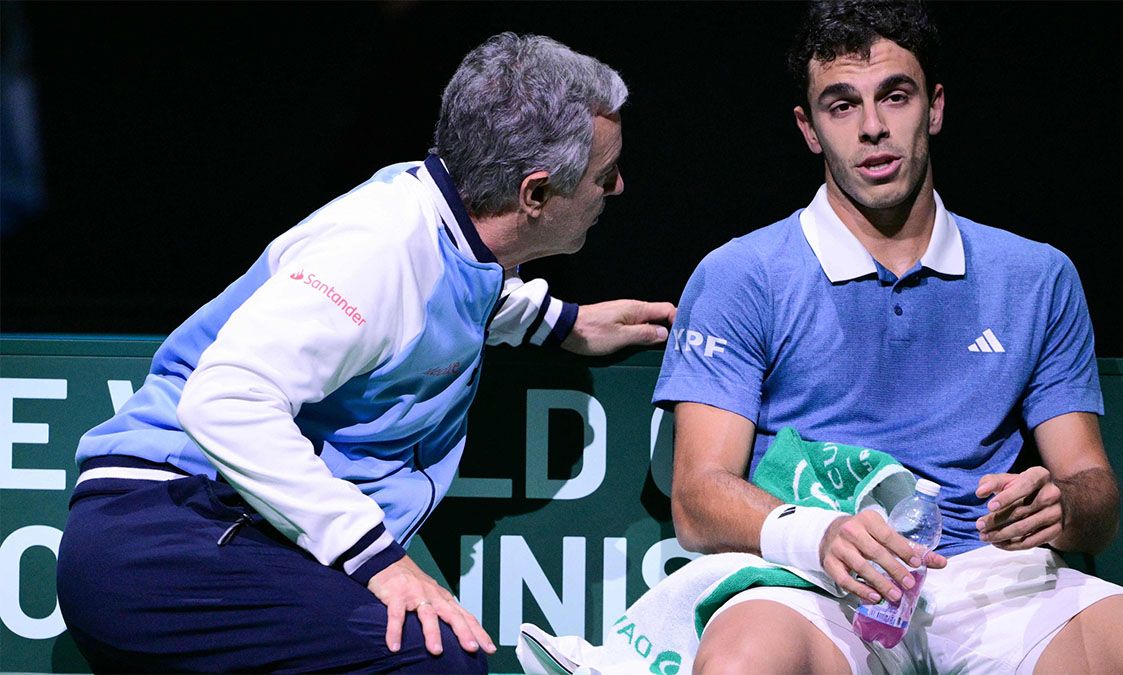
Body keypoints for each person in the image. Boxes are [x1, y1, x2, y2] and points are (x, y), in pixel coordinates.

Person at [57, 32, 674, 673]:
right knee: (433, 659)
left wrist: (558, 323)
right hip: (170, 536)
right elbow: (226, 399)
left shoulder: (439, 222)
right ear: (535, 194)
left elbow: (434, 295)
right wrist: (377, 559)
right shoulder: (375, 247)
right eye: (605, 175)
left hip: (228, 533)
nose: (620, 188)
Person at [653, 2, 1123, 673]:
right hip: (817, 578)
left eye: (895, 96)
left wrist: (1060, 503)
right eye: (842, 105)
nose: (873, 127)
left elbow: (1094, 491)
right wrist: (816, 533)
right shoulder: (741, 273)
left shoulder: (1036, 275)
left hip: (993, 578)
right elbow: (697, 495)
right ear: (809, 129)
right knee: (742, 665)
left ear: (934, 108)